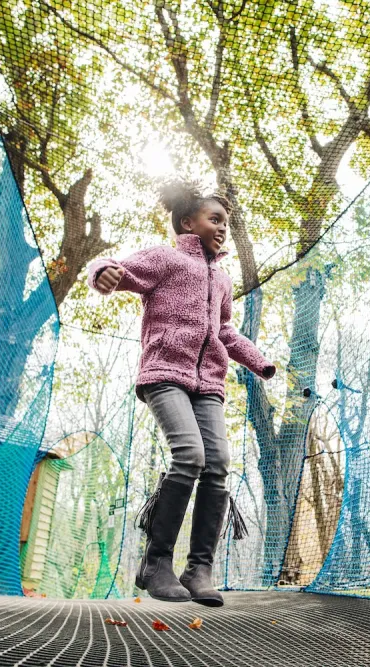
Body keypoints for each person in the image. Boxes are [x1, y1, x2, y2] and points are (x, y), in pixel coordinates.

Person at [88, 180, 276, 607]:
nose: (223, 227)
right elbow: (117, 267)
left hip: (208, 383)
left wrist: (257, 360)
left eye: (226, 222)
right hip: (164, 373)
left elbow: (224, 330)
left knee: (218, 464)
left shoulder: (223, 280)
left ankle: (199, 569)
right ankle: (157, 562)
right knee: (189, 455)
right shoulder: (166, 259)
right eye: (215, 219)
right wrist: (103, 272)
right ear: (189, 222)